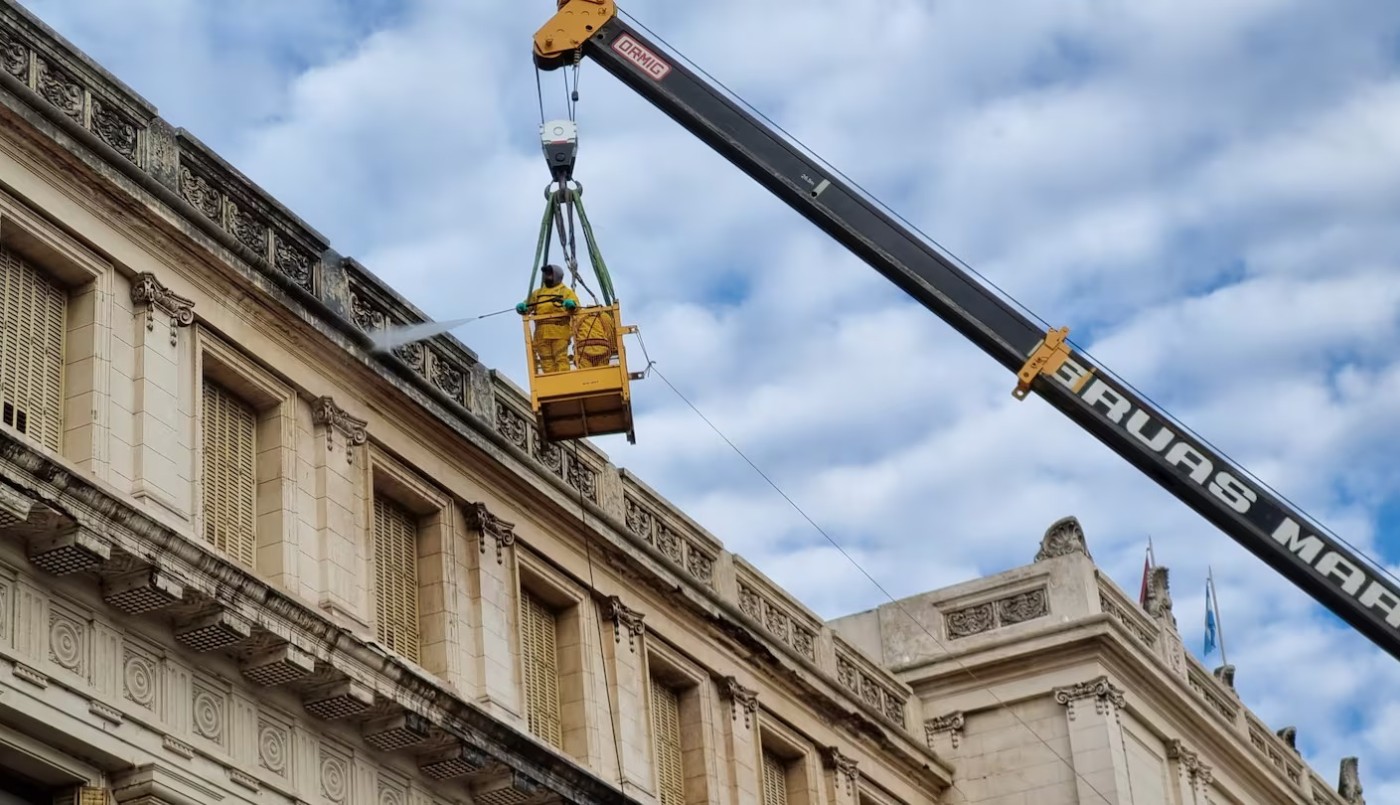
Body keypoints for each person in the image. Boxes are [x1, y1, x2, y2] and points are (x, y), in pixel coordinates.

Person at [517, 263, 578, 373]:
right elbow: (527, 307)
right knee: (546, 361)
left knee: (560, 358)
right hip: (541, 333)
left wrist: (571, 304)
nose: (546, 276)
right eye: (545, 274)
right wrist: (522, 308)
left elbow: (576, 307)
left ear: (557, 276)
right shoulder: (538, 293)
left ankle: (563, 381)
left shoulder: (565, 291)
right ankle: (552, 382)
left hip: (559, 331)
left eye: (549, 274)